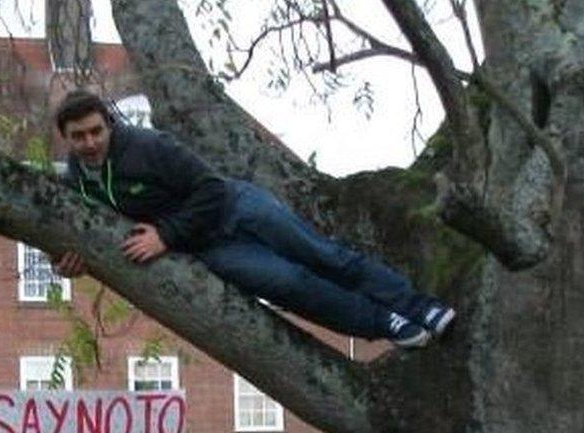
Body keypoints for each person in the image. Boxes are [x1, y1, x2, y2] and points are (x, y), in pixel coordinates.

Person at [51, 89, 454, 348]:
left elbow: (208, 187)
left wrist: (166, 235)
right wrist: (65, 263)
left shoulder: (148, 147)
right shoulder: (76, 186)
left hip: (237, 207)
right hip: (212, 249)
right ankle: (386, 321)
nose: (89, 143)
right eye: (79, 136)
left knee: (323, 256)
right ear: (65, 138)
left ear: (108, 125)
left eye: (95, 132)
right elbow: (79, 236)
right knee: (290, 284)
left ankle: (419, 306)